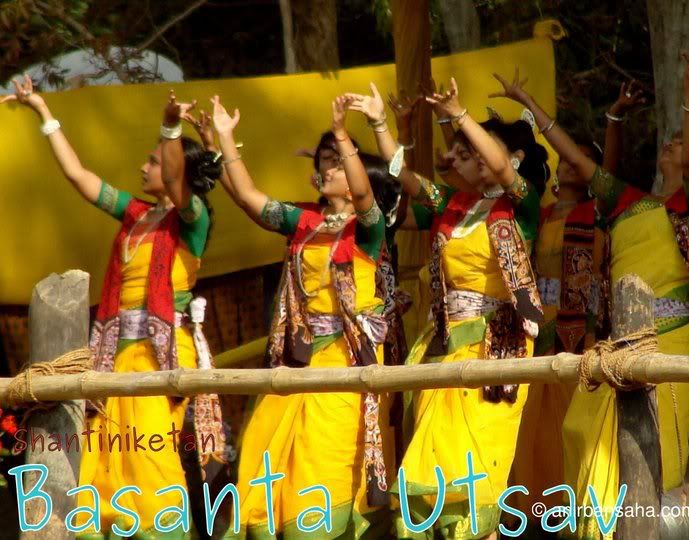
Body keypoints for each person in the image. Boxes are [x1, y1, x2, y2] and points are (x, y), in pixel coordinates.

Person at [493, 56, 689, 537]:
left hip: (672, 341)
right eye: (671, 138)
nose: (672, 144)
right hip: (619, 344)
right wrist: (528, 103)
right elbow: (577, 161)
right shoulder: (627, 201)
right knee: (581, 433)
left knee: (660, 454)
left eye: (680, 140)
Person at [2, 78, 225, 536]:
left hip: (162, 358)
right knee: (104, 457)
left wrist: (169, 129)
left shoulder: (193, 220)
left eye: (154, 160)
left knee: (148, 457)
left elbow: (183, 192)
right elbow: (80, 179)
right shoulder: (135, 215)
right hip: (115, 356)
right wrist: (44, 113)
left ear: (175, 170)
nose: (144, 166)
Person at [346, 80, 547, 539]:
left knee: (475, 471)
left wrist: (456, 114)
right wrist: (379, 123)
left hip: (497, 354)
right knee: (430, 466)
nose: (474, 156)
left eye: (482, 148)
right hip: (443, 346)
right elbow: (404, 177)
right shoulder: (452, 206)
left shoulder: (522, 206)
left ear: (508, 160)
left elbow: (496, 165)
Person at [210, 93, 394, 537]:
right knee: (264, 454)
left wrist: (342, 132)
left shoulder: (369, 230)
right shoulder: (304, 222)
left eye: (336, 166)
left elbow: (366, 195)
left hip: (348, 365)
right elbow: (251, 199)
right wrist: (225, 137)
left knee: (320, 471)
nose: (325, 169)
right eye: (327, 163)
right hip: (298, 359)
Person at [491, 70, 644, 527]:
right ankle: (536, 512)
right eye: (561, 160)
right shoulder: (538, 210)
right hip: (541, 330)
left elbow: (607, 166)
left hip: (583, 334)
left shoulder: (596, 209)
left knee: (572, 423)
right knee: (534, 426)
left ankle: (575, 507)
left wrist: (613, 119)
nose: (565, 164)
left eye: (576, 160)